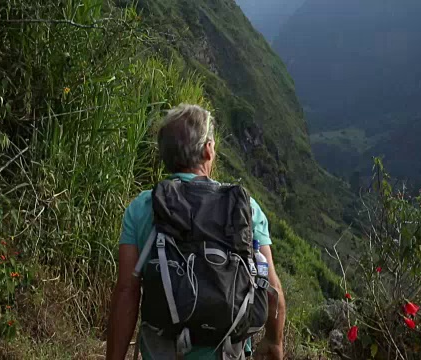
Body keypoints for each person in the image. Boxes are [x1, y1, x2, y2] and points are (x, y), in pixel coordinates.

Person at [106, 104, 286, 360]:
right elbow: (271, 286)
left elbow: (127, 291)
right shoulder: (246, 208)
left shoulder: (143, 208)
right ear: (208, 150)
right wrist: (274, 341)